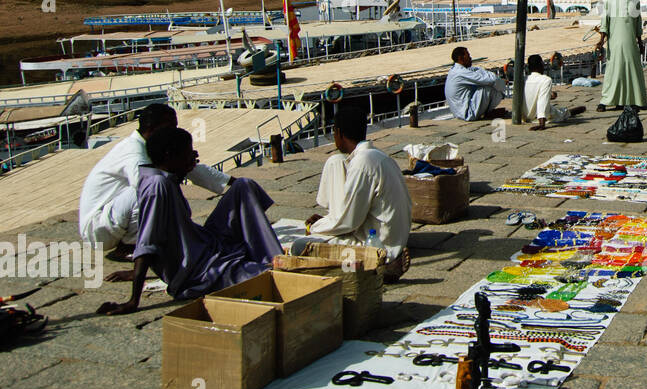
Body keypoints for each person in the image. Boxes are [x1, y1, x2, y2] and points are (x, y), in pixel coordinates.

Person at [98, 127, 281, 314]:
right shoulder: (157, 187)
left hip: (204, 242)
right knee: (266, 278)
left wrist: (185, 167)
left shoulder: (164, 174)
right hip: (198, 269)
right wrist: (132, 300)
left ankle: (269, 255)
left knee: (243, 186)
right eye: (187, 152)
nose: (193, 155)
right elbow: (147, 243)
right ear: (169, 155)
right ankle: (270, 261)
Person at [79, 103, 233, 253]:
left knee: (158, 183)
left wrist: (232, 183)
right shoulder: (132, 150)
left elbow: (188, 167)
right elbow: (145, 186)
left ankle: (137, 241)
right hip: (97, 230)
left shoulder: (154, 145)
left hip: (113, 219)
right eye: (170, 127)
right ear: (153, 129)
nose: (174, 131)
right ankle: (132, 246)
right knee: (151, 188)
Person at [303, 105, 412, 266]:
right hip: (392, 235)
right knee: (336, 161)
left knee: (301, 246)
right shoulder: (376, 156)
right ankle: (331, 223)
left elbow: (349, 222)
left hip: (379, 246)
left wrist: (314, 227)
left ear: (338, 133)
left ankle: (376, 268)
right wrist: (329, 221)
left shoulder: (363, 163)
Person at [596, 0, 647, 112]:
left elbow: (638, 25)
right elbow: (604, 24)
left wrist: (640, 43)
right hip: (615, 44)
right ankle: (605, 101)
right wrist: (601, 41)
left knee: (632, 72)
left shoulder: (635, 1)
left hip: (631, 44)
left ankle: (634, 100)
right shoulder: (610, 1)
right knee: (614, 72)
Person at [523, 54, 586, 130]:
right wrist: (541, 123)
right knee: (561, 113)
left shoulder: (524, 79)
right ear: (540, 65)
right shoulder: (546, 80)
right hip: (538, 116)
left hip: (525, 115)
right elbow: (542, 101)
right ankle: (569, 112)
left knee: (555, 109)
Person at [444, 46, 509, 120]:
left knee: (489, 83)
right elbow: (491, 80)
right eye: (468, 56)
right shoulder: (461, 72)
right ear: (461, 58)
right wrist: (502, 83)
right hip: (467, 114)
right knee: (488, 87)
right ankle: (489, 110)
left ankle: (487, 110)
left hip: (459, 113)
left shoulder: (454, 70)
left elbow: (476, 70)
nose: (470, 58)